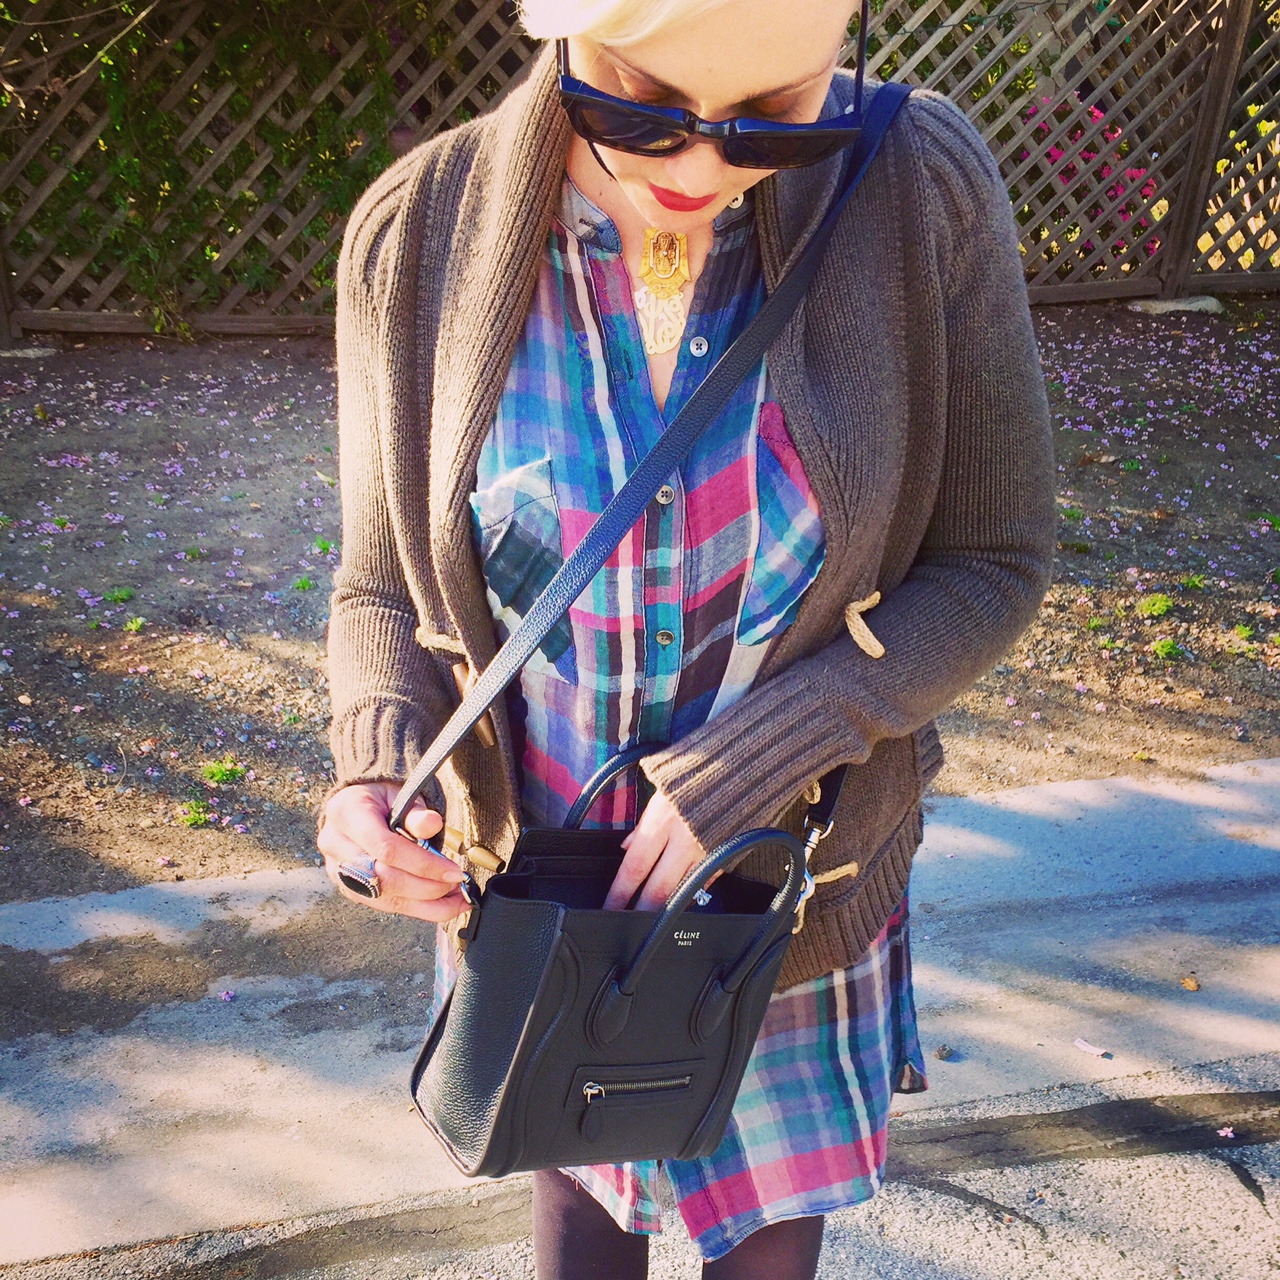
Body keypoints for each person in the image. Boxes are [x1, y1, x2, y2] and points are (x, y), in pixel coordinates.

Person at [318, 0, 1054, 1275]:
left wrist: (768, 755)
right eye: (642, 103)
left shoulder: (912, 186)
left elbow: (992, 562)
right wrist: (373, 777)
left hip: (786, 906)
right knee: (579, 1230)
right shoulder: (415, 234)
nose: (700, 165)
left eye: (770, 116)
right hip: (545, 910)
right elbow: (382, 584)